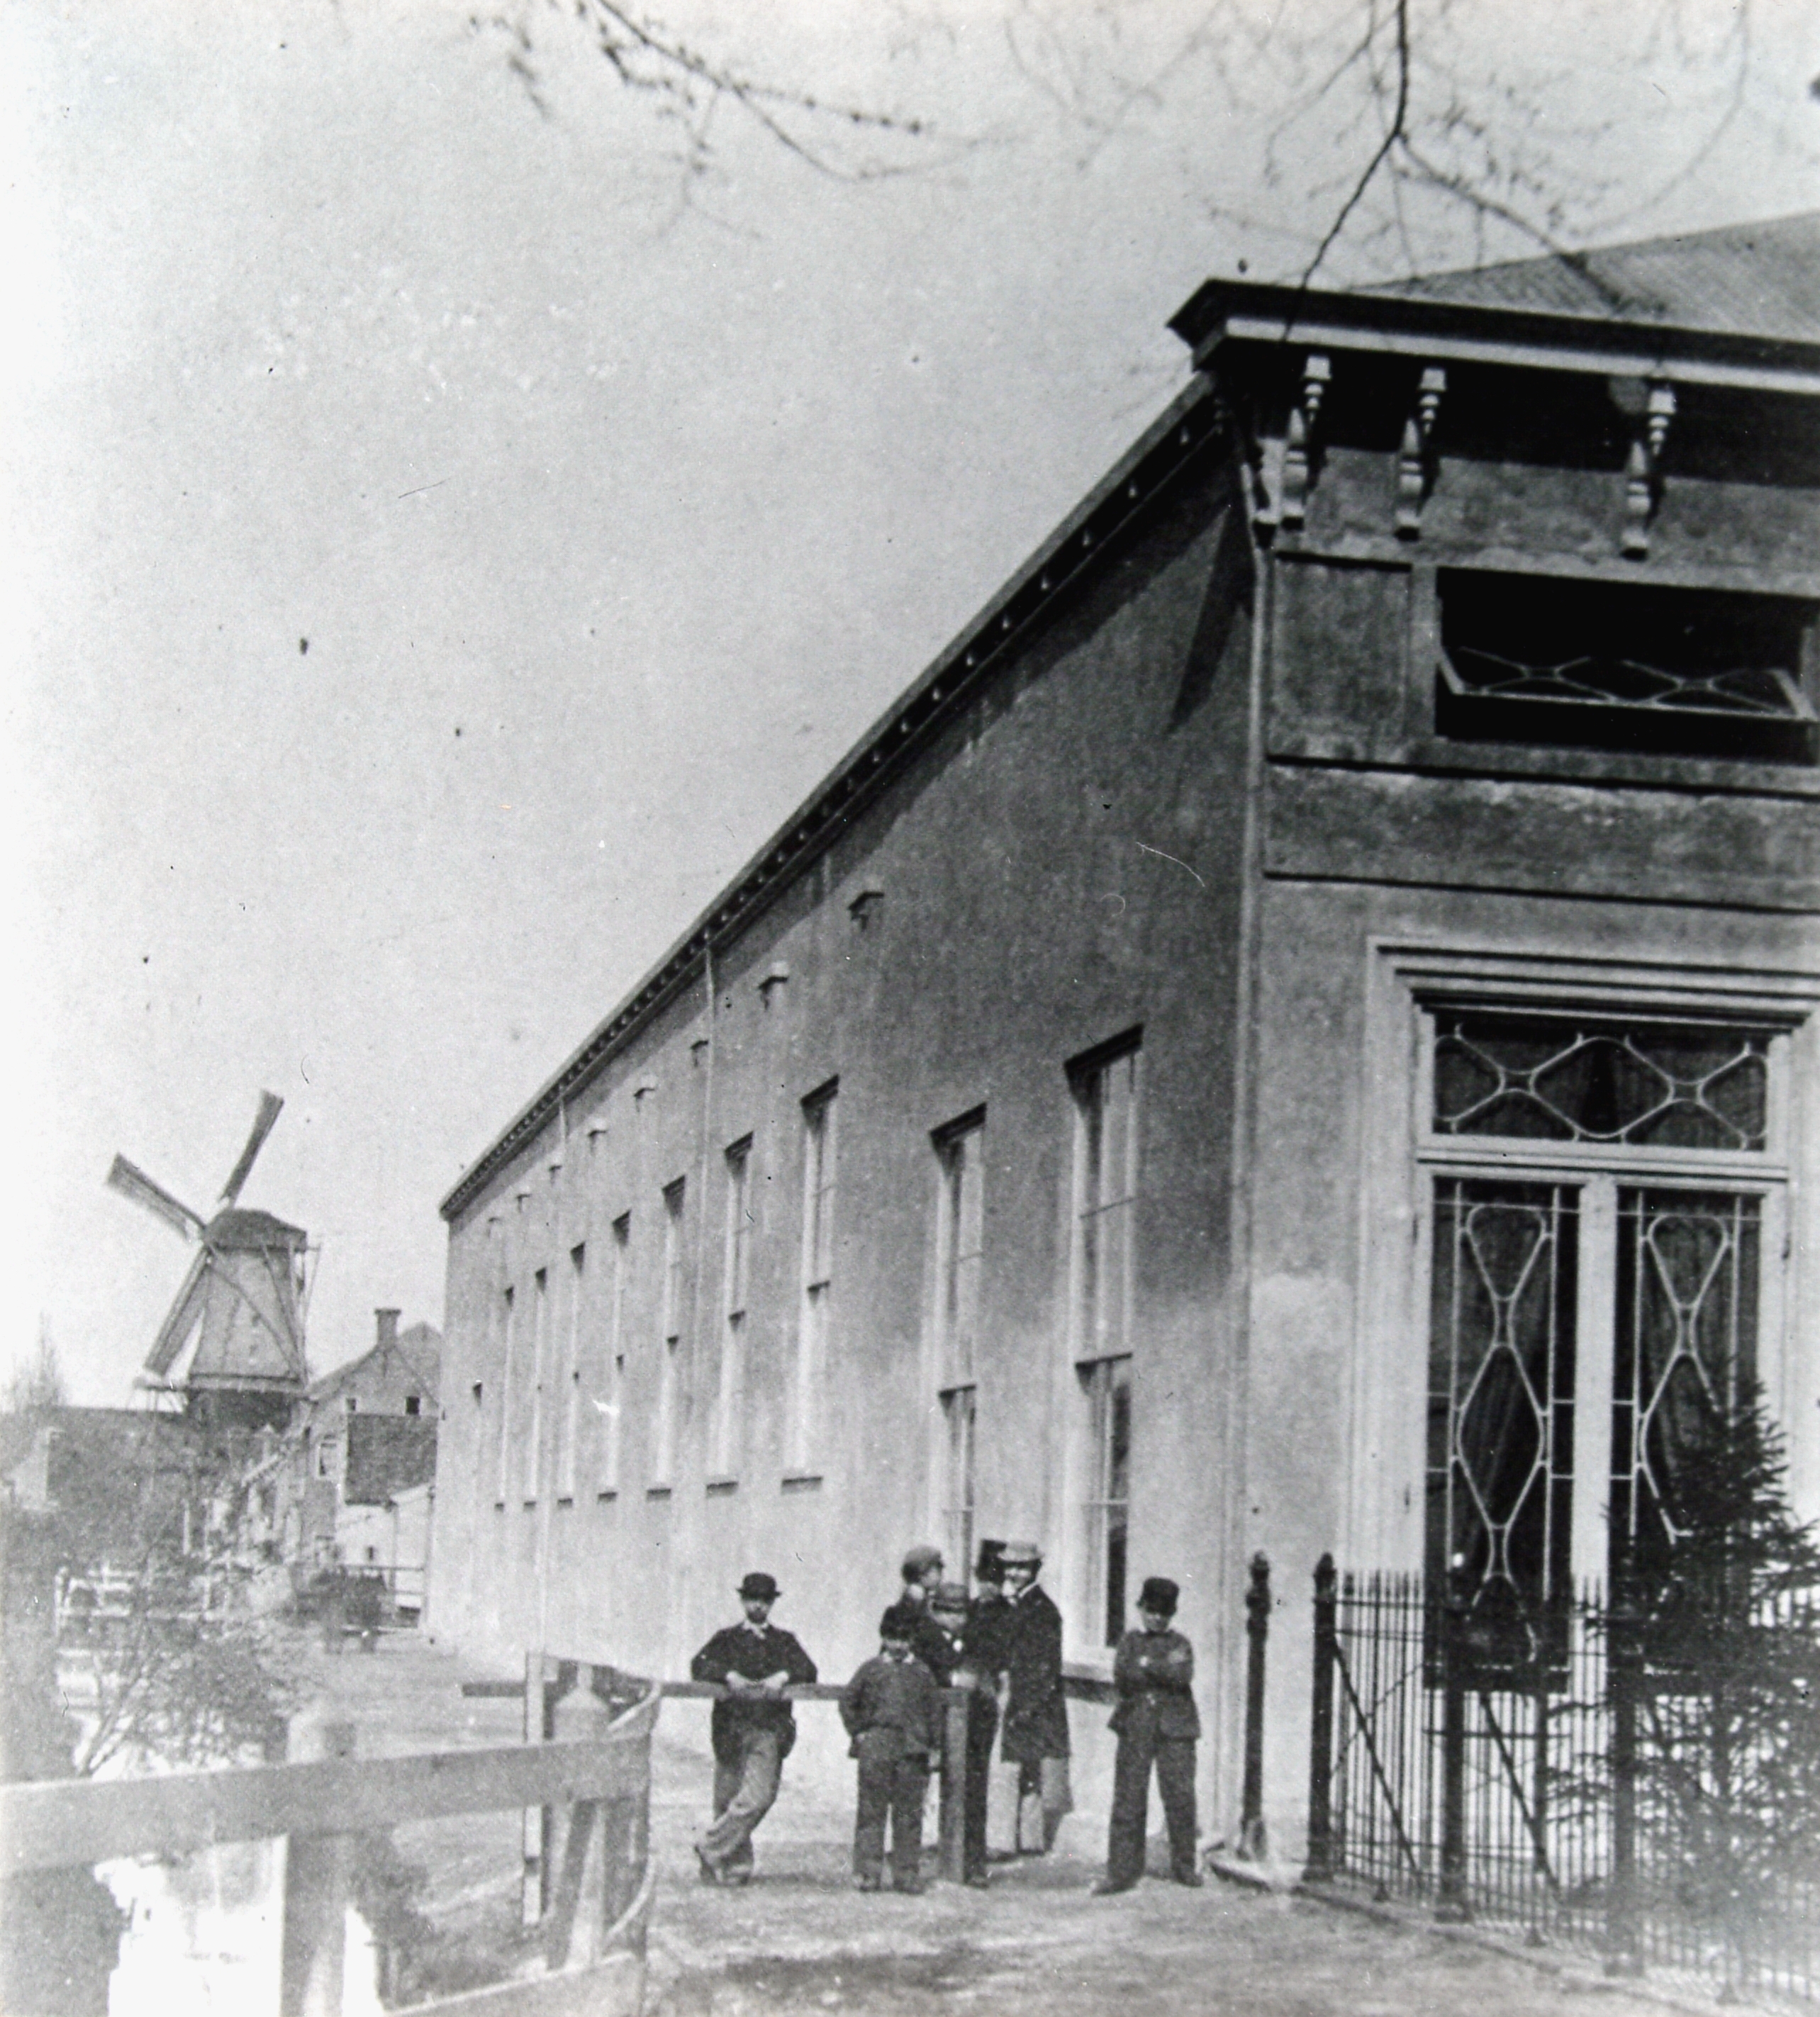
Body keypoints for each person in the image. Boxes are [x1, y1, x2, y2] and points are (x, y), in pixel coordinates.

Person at [689, 1572, 818, 1886]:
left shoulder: (784, 1641)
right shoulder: (726, 1638)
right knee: (728, 1798)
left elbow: (808, 1670)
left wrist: (784, 1676)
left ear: (772, 1604)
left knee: (759, 1796)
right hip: (730, 1727)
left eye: (764, 1601)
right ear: (743, 1601)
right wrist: (728, 1675)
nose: (758, 1606)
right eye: (752, 1599)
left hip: (768, 1728)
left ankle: (709, 1846)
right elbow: (699, 1665)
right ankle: (734, 1867)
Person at [1093, 1576, 1203, 1894]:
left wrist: (1147, 1665)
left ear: (1173, 1613)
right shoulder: (1129, 1641)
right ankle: (1122, 1871)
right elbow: (1123, 1676)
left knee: (1180, 1798)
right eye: (1151, 1611)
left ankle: (1184, 1867)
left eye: (1164, 1612)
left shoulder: (1181, 1643)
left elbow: (1182, 1675)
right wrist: (1159, 1667)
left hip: (1176, 1729)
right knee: (1129, 1797)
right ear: (1141, 1608)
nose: (1157, 1618)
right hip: (1137, 1725)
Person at [840, 1602, 943, 1893]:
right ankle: (868, 1873)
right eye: (892, 1638)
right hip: (877, 1749)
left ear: (912, 1640)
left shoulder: (922, 1672)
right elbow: (848, 1701)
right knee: (871, 1812)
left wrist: (935, 1747)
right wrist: (859, 1732)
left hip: (912, 1751)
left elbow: (935, 1712)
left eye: (904, 1639)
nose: (898, 1645)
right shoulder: (871, 1669)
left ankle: (906, 1873)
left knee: (909, 1815)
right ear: (883, 1638)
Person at [998, 1540, 1072, 1853]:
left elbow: (1046, 1666)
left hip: (1032, 1701)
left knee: (1022, 1769)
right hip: (1018, 1697)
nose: (1014, 1573)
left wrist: (1027, 1707)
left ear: (1035, 1570)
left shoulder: (1042, 1610)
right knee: (1022, 1769)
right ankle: (1022, 1839)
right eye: (1010, 1567)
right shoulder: (1013, 1605)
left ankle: (1019, 1840)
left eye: (1022, 1568)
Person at [929, 1580, 997, 1888]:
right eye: (948, 1612)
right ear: (935, 1612)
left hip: (974, 1729)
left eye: (961, 1613)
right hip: (936, 1726)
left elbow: (984, 1672)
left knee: (973, 1794)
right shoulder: (925, 1639)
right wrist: (952, 1678)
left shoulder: (976, 1639)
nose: (956, 1619)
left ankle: (973, 1863)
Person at [896, 1544, 956, 1682]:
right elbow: (929, 1639)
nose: (941, 1574)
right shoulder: (914, 1604)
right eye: (938, 1568)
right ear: (923, 1573)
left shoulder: (919, 1601)